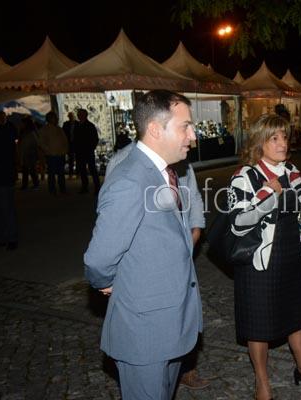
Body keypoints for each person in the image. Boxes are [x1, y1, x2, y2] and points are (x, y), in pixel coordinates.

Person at [84, 90, 203, 400]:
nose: (193, 135)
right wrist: (107, 282)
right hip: (144, 332)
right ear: (155, 129)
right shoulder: (130, 181)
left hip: (170, 324)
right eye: (185, 126)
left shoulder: (165, 172)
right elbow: (98, 259)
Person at [227, 114, 301, 400]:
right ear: (259, 142)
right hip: (258, 259)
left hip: (289, 253)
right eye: (274, 138)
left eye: (284, 137)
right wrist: (268, 195)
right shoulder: (245, 176)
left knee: (297, 316)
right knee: (258, 322)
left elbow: (298, 214)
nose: (282, 143)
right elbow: (238, 223)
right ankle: (262, 382)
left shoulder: (293, 171)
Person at [105, 140, 210, 390]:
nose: (190, 136)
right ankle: (150, 369)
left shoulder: (180, 160)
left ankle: (183, 365)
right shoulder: (122, 162)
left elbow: (193, 197)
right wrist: (105, 276)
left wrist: (194, 232)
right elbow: (111, 220)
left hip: (180, 254)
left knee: (183, 309)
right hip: (147, 260)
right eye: (183, 126)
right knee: (152, 318)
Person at [0, 111, 19, 250]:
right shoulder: (1, 131)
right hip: (1, 176)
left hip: (3, 176)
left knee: (6, 207)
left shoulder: (7, 131)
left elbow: (8, 153)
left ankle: (11, 237)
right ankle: (0, 237)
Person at [38, 112, 68, 195]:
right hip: (51, 155)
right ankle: (52, 190)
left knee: (61, 173)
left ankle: (62, 189)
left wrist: (65, 150)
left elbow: (65, 140)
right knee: (51, 174)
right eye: (54, 118)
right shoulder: (44, 129)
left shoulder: (59, 129)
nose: (56, 119)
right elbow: (41, 142)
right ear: (49, 119)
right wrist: (48, 150)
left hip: (60, 154)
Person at [74, 109, 101, 194]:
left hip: (88, 151)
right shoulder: (77, 126)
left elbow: (95, 139)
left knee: (92, 169)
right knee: (82, 170)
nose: (79, 116)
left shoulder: (90, 126)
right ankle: (84, 187)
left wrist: (91, 148)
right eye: (78, 114)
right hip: (80, 152)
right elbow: (75, 138)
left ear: (85, 115)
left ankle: (97, 187)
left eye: (80, 114)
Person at [18, 116, 40, 190]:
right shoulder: (27, 132)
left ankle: (34, 184)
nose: (21, 124)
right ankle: (26, 185)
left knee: (31, 169)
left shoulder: (30, 133)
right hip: (29, 153)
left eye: (23, 123)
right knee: (26, 169)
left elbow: (29, 144)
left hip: (29, 153)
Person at [62, 112, 77, 178]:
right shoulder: (66, 124)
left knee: (78, 159)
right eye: (70, 116)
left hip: (76, 144)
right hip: (68, 144)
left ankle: (78, 173)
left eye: (72, 116)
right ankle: (71, 174)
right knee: (70, 159)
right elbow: (63, 134)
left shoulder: (78, 124)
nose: (71, 117)